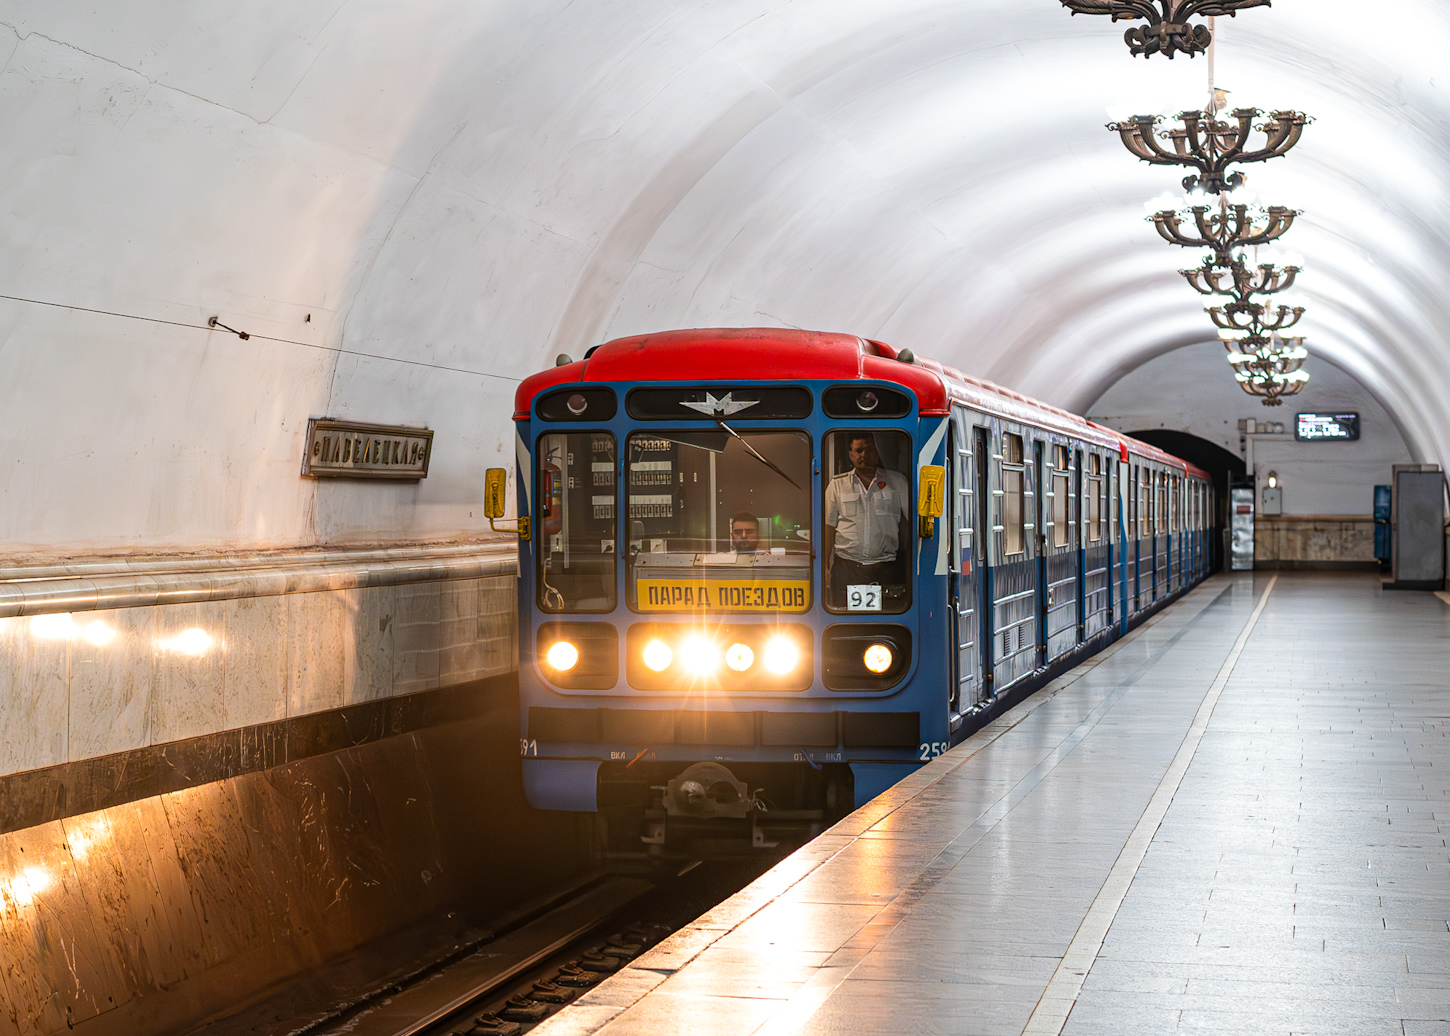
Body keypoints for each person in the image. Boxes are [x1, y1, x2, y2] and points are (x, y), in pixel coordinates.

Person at [823, 433, 909, 607]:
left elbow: (914, 523)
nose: (864, 455)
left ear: (877, 453)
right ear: (851, 454)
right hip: (846, 569)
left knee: (887, 618)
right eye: (859, 450)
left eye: (869, 450)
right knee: (845, 618)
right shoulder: (837, 485)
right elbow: (828, 528)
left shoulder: (897, 482)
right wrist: (824, 567)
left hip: (886, 570)